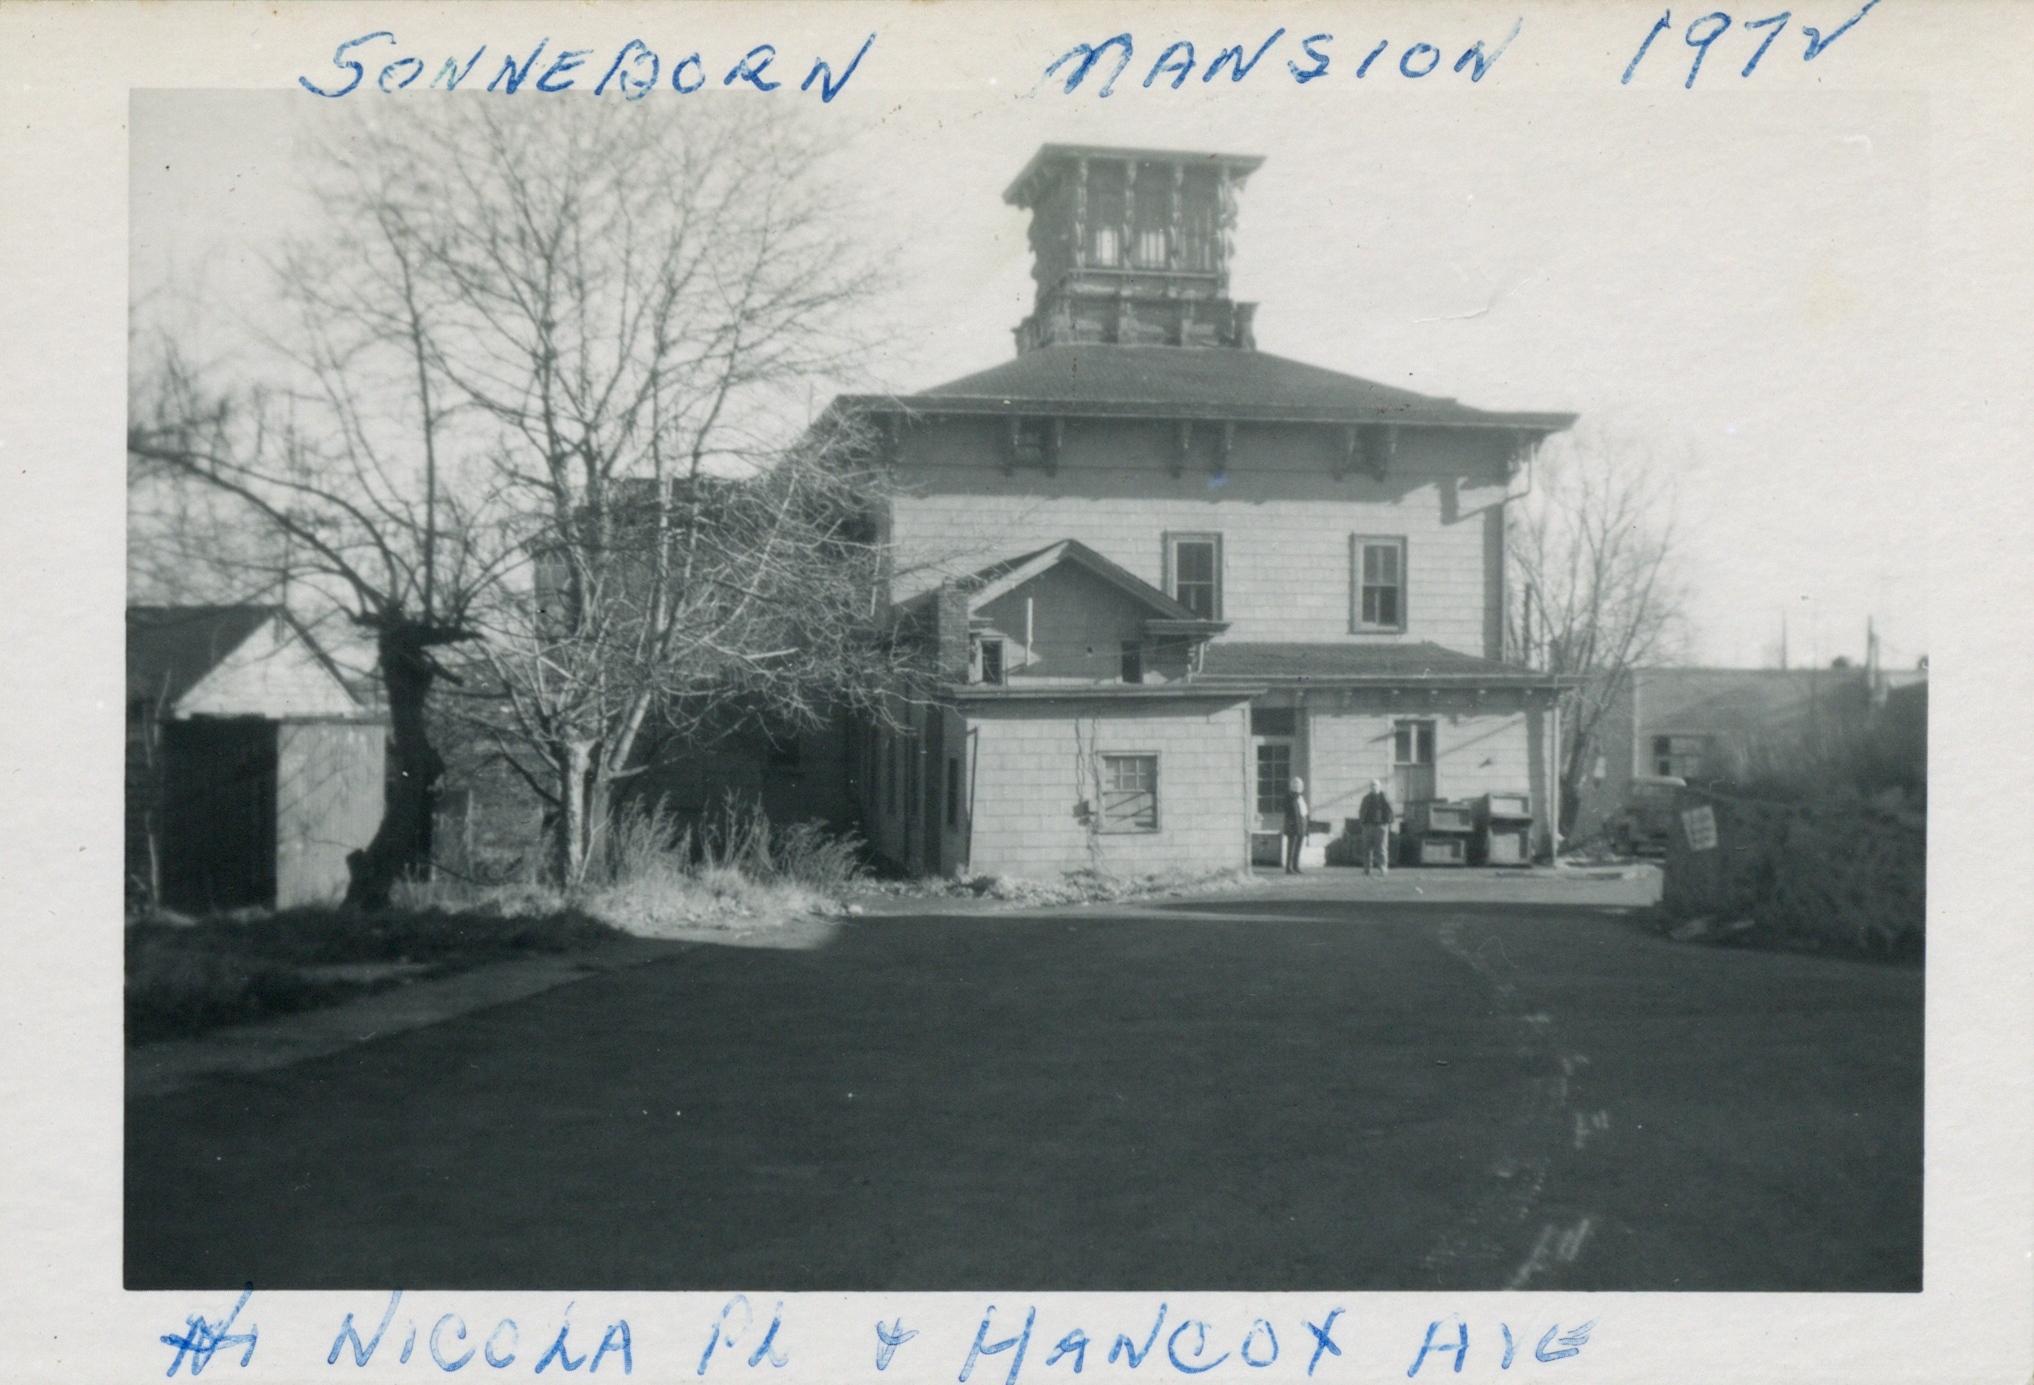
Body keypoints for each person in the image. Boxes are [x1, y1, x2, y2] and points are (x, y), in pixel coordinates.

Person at [1357, 778, 1395, 875]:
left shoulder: (1384, 797)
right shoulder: (1366, 798)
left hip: (1381, 826)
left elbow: (1390, 810)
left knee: (1381, 848)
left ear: (1379, 787)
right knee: (1366, 848)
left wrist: (1387, 823)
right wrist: (1362, 822)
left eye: (1376, 785)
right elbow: (1362, 810)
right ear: (1370, 787)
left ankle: (1383, 868)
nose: (1374, 787)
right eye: (1372, 785)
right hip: (1368, 826)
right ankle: (1367, 869)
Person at [1282, 776, 1310, 874]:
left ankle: (1295, 866)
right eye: (1295, 785)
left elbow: (1304, 812)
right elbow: (1288, 812)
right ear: (1291, 786)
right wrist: (1291, 824)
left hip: (1302, 824)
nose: (1297, 787)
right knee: (1291, 847)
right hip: (1293, 825)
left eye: (1299, 785)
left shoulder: (1301, 797)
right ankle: (1288, 868)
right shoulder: (1289, 797)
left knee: (1298, 847)